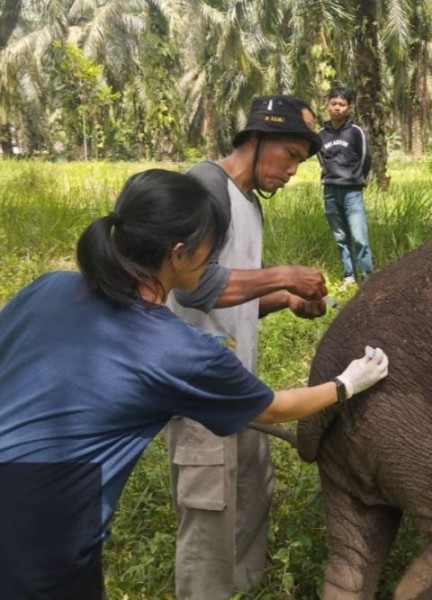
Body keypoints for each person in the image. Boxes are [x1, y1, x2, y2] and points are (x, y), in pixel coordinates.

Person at [0, 169, 389, 600]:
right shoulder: (177, 349)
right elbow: (274, 408)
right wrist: (348, 383)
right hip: (44, 524)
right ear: (180, 253)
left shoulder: (49, 287)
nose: (214, 256)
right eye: (212, 245)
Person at [164, 95, 336, 599]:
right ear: (255, 139)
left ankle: (244, 586)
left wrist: (284, 298)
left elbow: (230, 300)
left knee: (252, 490)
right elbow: (192, 286)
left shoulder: (251, 207)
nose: (291, 172)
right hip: (199, 387)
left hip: (239, 383)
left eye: (300, 164)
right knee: (208, 509)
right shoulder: (205, 186)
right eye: (289, 156)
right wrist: (282, 275)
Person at [318, 85, 374, 288]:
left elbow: (366, 158)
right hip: (330, 191)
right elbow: (321, 160)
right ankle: (349, 276)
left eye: (342, 104)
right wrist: (330, 177)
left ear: (349, 108)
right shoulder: (321, 134)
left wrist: (356, 179)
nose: (337, 108)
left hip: (352, 192)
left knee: (359, 237)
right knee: (340, 237)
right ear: (327, 105)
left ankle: (368, 278)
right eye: (333, 103)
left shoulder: (356, 132)